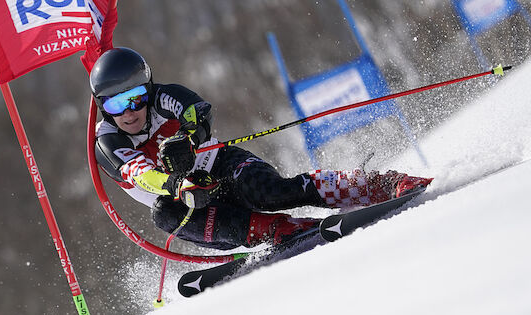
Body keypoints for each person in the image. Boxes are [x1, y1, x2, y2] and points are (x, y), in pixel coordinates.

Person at [90, 47, 432, 250]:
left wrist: (190, 140)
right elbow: (141, 174)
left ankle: (378, 184)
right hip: (187, 199)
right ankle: (276, 231)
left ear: (148, 89)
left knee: (273, 192)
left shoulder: (164, 97)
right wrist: (176, 184)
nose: (130, 111)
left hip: (219, 166)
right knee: (163, 214)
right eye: (117, 104)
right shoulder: (107, 141)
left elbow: (199, 113)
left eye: (136, 97)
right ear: (103, 106)